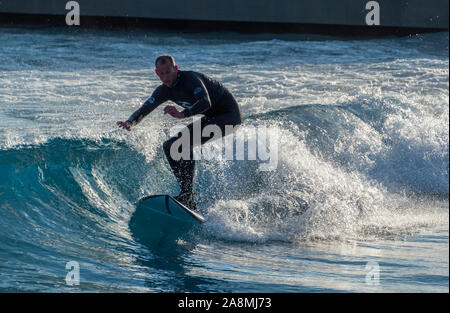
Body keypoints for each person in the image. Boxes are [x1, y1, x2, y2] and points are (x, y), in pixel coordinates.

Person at [117, 55, 242, 210]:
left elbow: (205, 102)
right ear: (157, 73)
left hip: (229, 116)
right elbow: (146, 107)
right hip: (213, 117)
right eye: (161, 74)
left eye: (168, 72)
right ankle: (187, 195)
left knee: (183, 144)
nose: (165, 77)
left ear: (175, 69)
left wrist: (183, 114)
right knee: (170, 146)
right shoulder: (163, 91)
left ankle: (187, 195)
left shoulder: (190, 79)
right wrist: (130, 122)